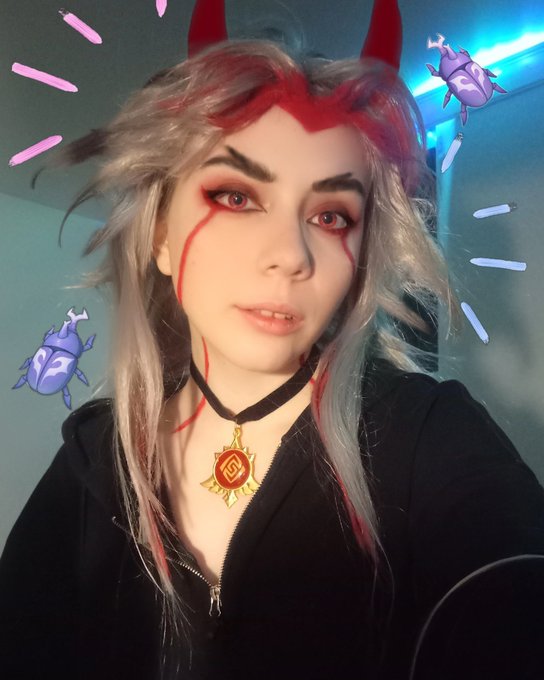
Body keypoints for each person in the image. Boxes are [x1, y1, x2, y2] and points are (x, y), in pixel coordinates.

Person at [1, 0, 544, 678]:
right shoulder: (94, 460)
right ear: (161, 236)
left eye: (331, 215)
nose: (290, 255)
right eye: (235, 197)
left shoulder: (428, 438)